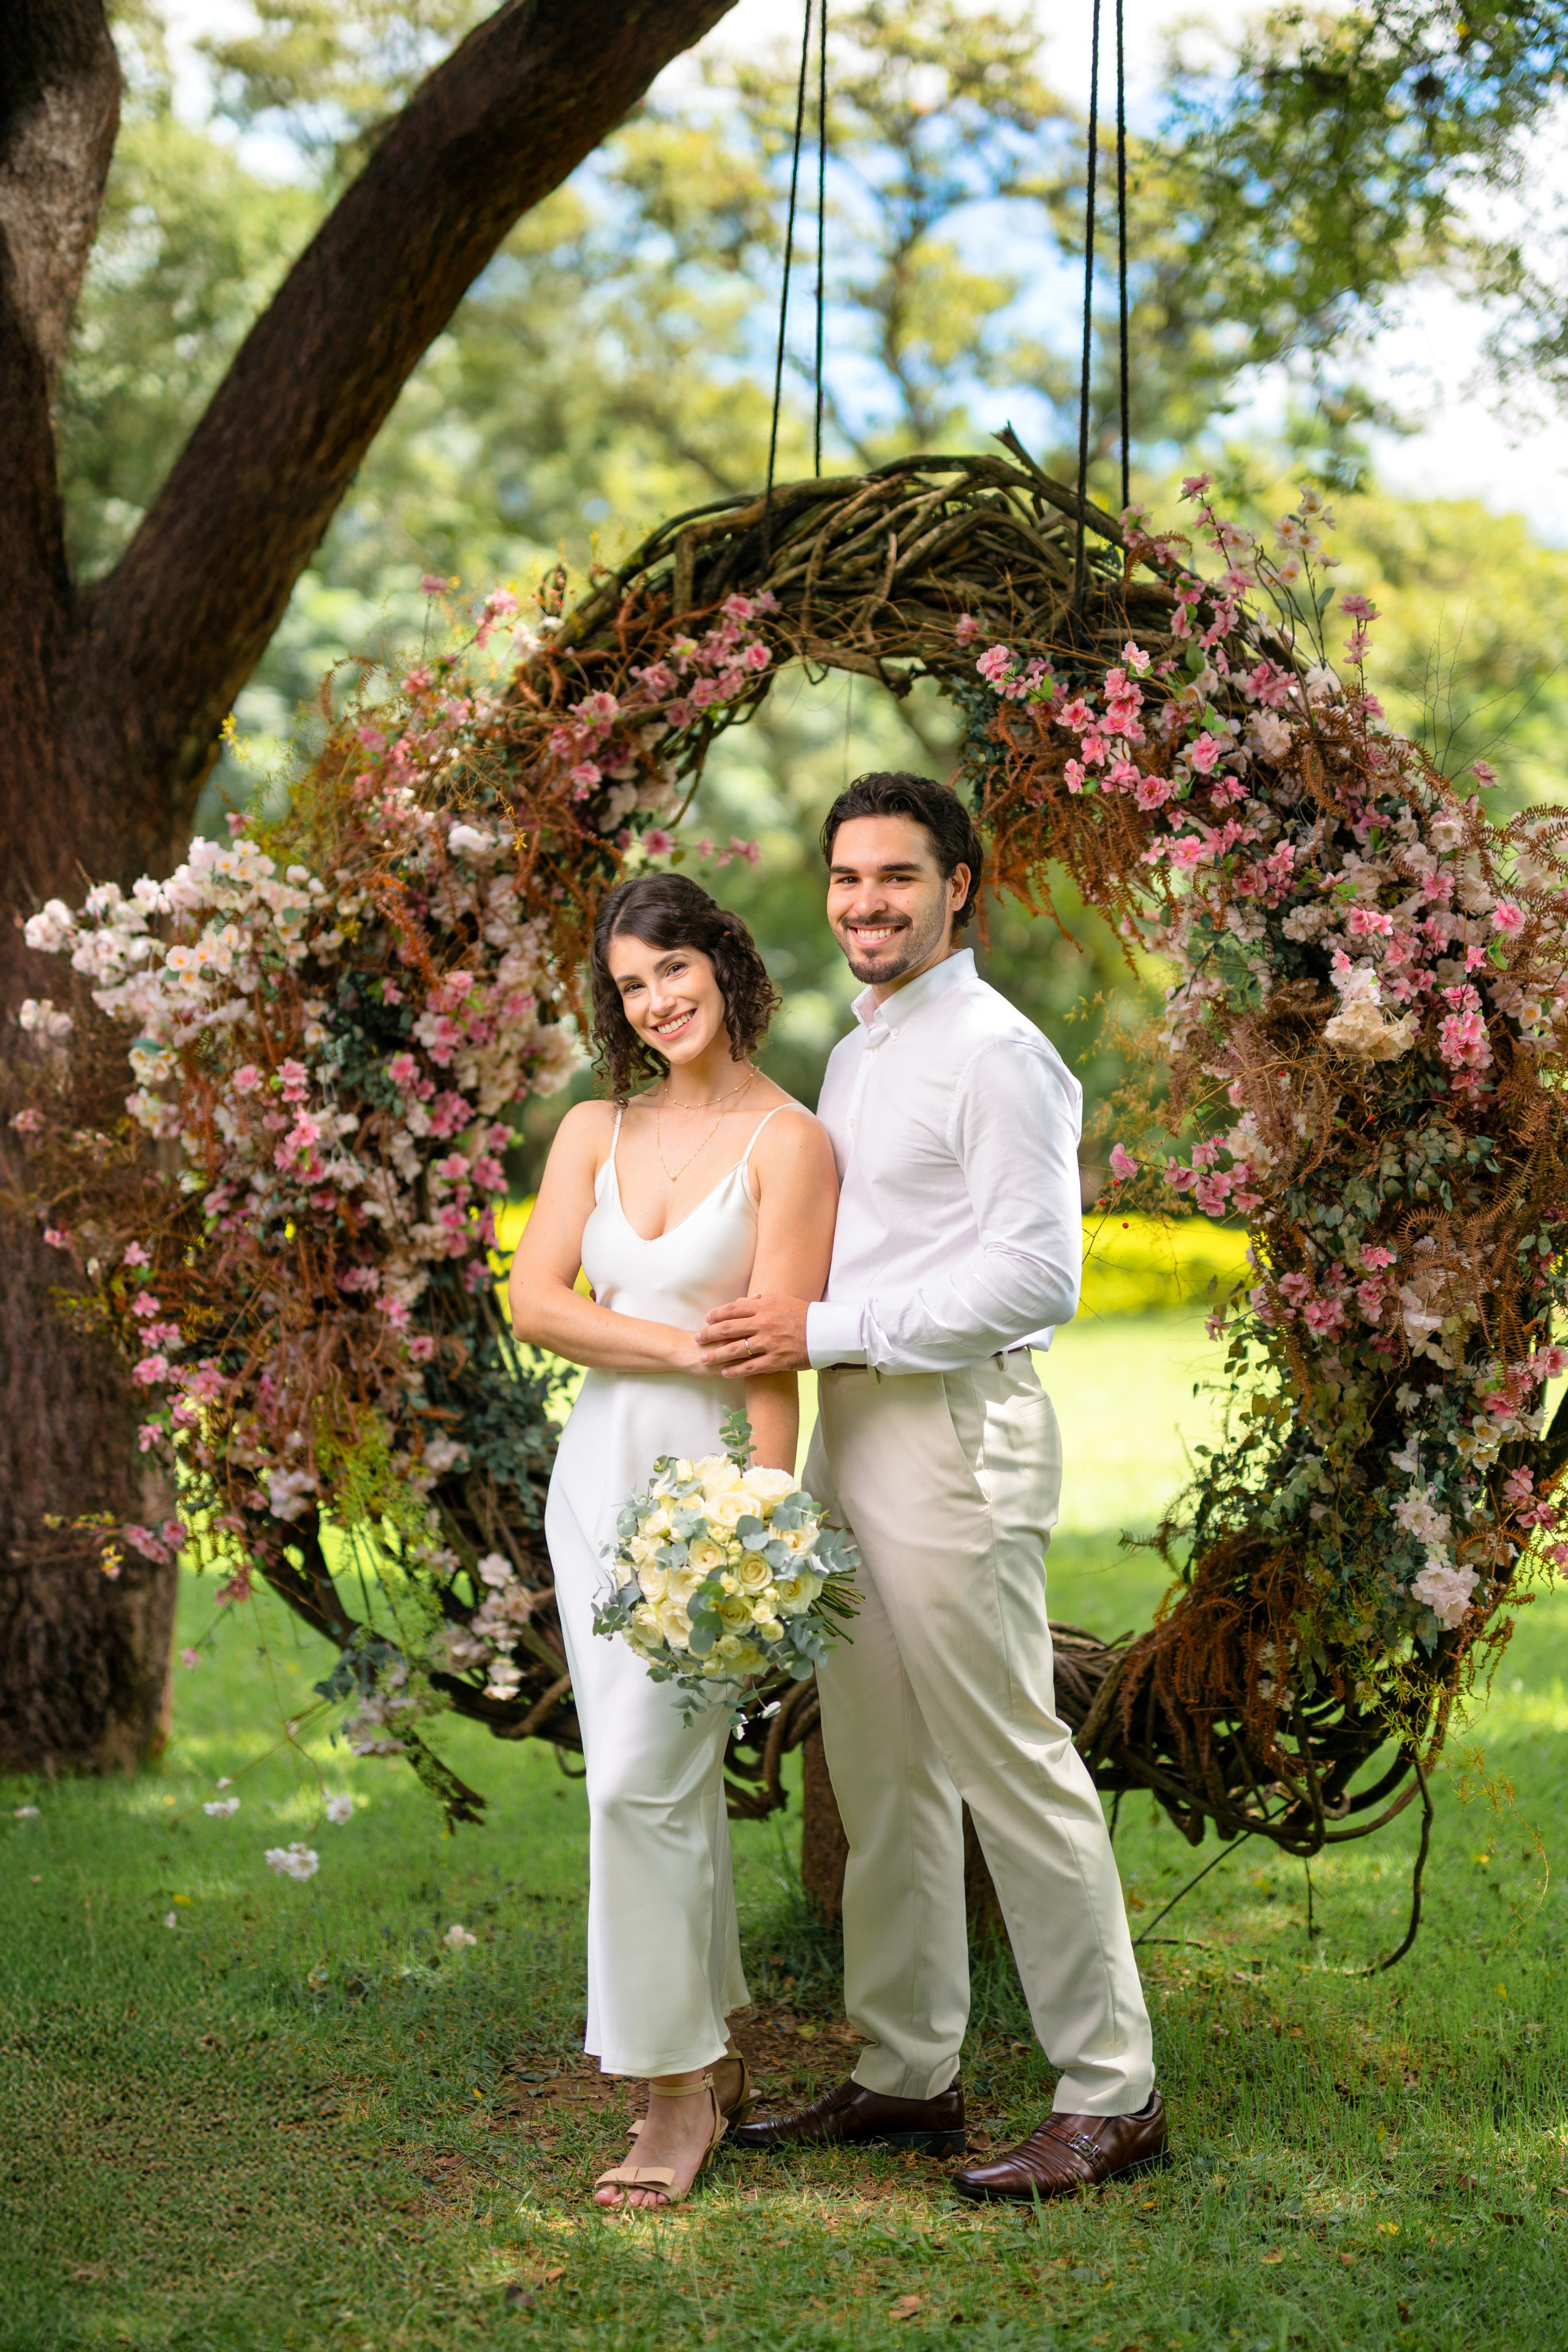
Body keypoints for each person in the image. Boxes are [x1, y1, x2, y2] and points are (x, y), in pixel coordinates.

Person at [699, 771, 1166, 2201]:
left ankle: (1111, 2094)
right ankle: (907, 2070)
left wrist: (820, 1330)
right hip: (855, 1428)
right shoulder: (858, 1050)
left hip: (955, 1436)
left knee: (1008, 1763)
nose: (865, 904)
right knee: (877, 1760)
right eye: (847, 879)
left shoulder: (996, 1051)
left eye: (896, 877)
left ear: (959, 886)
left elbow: (1038, 1274)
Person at [509, 873, 838, 2209]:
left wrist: (761, 1519)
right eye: (631, 985)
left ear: (724, 961)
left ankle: (670, 2094)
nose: (656, 1001)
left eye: (673, 970)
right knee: (657, 1786)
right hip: (594, 1481)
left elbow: (776, 1367)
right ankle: (705, 2058)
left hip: (707, 1500)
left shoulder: (791, 1145)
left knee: (636, 1783)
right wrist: (672, 1340)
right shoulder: (592, 1126)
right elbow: (536, 1302)